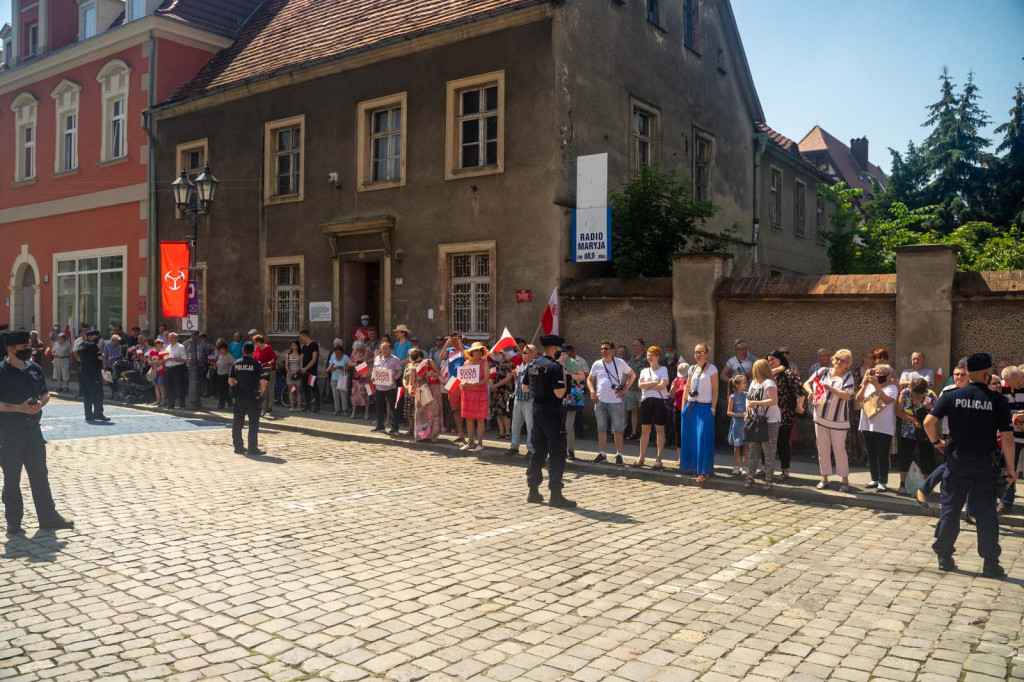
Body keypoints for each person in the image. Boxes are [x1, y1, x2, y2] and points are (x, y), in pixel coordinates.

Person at [923, 353, 1016, 578]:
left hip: (957, 464)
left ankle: (944, 556)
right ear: (986, 374)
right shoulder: (997, 401)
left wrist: (937, 442)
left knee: (951, 510)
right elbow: (1007, 438)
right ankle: (991, 563)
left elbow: (928, 422)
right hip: (985, 465)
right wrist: (1011, 469)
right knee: (986, 514)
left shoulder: (953, 395)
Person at [0, 330, 75, 535]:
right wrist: (18, 408)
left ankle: (48, 517)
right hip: (9, 432)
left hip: (33, 430)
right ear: (10, 349)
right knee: (12, 479)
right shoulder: (2, 371)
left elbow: (45, 392)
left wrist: (41, 403)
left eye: (28, 347)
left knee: (40, 476)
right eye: (23, 348)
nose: (27, 351)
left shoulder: (34, 368)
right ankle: (14, 522)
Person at [526, 334, 576, 508]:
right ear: (554, 349)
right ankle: (555, 494)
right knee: (557, 453)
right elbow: (559, 393)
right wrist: (567, 379)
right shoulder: (555, 367)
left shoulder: (532, 363)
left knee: (538, 451)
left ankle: (533, 491)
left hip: (537, 411)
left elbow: (526, 387)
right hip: (552, 413)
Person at [804, 349, 855, 492]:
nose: (839, 362)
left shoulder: (848, 377)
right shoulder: (822, 371)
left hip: (838, 421)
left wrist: (831, 388)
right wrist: (810, 392)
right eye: (837, 358)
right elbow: (806, 383)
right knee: (822, 449)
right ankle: (824, 478)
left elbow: (847, 396)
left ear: (847, 364)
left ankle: (844, 481)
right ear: (833, 359)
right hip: (820, 417)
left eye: (843, 360)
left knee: (839, 450)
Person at [587, 340, 635, 465]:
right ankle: (602, 453)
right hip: (600, 400)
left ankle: (619, 454)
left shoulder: (620, 363)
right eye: (602, 348)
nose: (604, 351)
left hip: (615, 401)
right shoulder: (597, 364)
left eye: (606, 348)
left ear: (612, 350)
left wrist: (625, 389)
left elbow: (632, 375)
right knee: (601, 428)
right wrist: (592, 391)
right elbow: (589, 379)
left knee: (618, 429)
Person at [856, 362, 899, 492]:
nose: (879, 376)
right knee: (871, 453)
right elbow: (858, 399)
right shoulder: (868, 386)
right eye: (877, 373)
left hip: (884, 426)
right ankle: (874, 478)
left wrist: (877, 386)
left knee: (882, 454)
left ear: (888, 375)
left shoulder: (892, 388)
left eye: (882, 374)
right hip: (868, 424)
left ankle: (882, 481)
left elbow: (887, 400)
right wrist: (864, 385)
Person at [679, 343, 718, 482]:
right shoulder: (691, 368)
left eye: (701, 352)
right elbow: (687, 387)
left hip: (704, 407)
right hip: (691, 406)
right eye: (696, 352)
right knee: (690, 438)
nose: (698, 354)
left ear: (706, 354)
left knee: (703, 438)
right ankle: (691, 467)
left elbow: (715, 390)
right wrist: (684, 406)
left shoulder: (712, 369)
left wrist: (713, 408)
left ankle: (704, 470)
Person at [896, 377, 938, 492]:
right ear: (911, 388)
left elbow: (939, 412)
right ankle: (902, 484)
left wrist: (932, 409)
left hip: (925, 431)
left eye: (921, 393)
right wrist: (912, 419)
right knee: (905, 455)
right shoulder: (905, 393)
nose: (919, 396)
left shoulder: (931, 395)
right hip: (908, 431)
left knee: (927, 456)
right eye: (916, 393)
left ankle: (927, 486)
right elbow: (898, 411)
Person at [744, 359, 781, 491]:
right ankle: (750, 476)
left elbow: (774, 400)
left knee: (769, 451)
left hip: (770, 420)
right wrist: (747, 411)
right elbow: (748, 398)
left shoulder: (769, 383)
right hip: (755, 419)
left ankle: (769, 479)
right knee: (754, 449)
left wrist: (756, 403)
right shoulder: (753, 382)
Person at [768, 349, 804, 481]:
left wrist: (799, 406)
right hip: (769, 414)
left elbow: (800, 389)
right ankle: (765, 467)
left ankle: (785, 470)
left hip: (785, 414)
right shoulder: (771, 374)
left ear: (780, 360)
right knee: (767, 443)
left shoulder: (788, 373)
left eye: (773, 360)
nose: (770, 362)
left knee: (783, 443)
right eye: (769, 360)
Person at [228, 342, 267, 456]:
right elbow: (263, 384)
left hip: (240, 397)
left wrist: (237, 387)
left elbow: (230, 381)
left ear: (242, 351)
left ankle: (238, 447)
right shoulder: (256, 364)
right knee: (253, 424)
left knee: (237, 423)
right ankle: (252, 448)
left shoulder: (236, 363)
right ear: (252, 352)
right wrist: (260, 393)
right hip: (253, 397)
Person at [634, 346, 669, 469]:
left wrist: (647, 385)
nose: (649, 357)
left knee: (659, 429)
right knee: (645, 430)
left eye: (652, 355)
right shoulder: (644, 371)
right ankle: (641, 457)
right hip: (646, 401)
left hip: (659, 401)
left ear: (658, 356)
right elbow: (640, 385)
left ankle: (659, 458)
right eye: (648, 355)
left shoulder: (663, 369)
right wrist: (655, 383)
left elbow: (662, 385)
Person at [997, 365, 1024, 514]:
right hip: (1012, 437)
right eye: (1013, 385)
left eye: (1019, 383)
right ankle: (1006, 503)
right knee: (1008, 469)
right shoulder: (1001, 387)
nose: (1017, 387)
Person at [459, 342, 491, 452]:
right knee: (469, 419)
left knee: (480, 419)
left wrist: (474, 384)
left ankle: (480, 442)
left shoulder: (484, 362)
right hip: (467, 393)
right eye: (476, 350)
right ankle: (470, 442)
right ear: (471, 352)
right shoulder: (466, 362)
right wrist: (461, 384)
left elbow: (486, 379)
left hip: (480, 393)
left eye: (479, 350)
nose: (478, 352)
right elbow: (461, 378)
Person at [507, 344, 536, 457]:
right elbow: (519, 382)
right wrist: (515, 376)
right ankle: (514, 446)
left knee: (530, 426)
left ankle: (530, 448)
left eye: (525, 352)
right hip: (518, 399)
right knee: (515, 425)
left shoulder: (534, 366)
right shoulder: (521, 365)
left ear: (532, 354)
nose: (522, 355)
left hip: (529, 400)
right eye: (522, 352)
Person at [409, 348, 442, 442]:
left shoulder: (429, 361)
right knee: (420, 412)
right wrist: (411, 389)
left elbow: (438, 373)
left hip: (431, 387)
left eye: (420, 359)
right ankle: (421, 434)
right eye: (416, 360)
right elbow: (411, 382)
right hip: (421, 389)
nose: (418, 362)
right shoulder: (413, 367)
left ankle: (433, 435)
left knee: (432, 411)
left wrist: (432, 374)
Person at [560, 346, 586, 461]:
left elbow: (582, 376)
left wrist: (568, 374)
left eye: (562, 352)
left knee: (568, 426)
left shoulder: (571, 362)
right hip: (557, 395)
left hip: (570, 396)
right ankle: (560, 449)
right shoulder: (552, 363)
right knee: (558, 425)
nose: (560, 354)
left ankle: (570, 450)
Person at [371, 341, 402, 434]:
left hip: (390, 386)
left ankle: (395, 427)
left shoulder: (395, 359)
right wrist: (372, 376)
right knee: (379, 407)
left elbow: (399, 371)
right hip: (379, 386)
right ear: (380, 348)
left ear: (390, 349)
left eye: (386, 348)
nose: (384, 350)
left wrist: (395, 379)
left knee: (393, 407)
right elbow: (374, 369)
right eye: (383, 348)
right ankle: (380, 426)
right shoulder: (377, 358)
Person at [78, 330, 108, 423]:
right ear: (91, 337)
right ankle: (98, 414)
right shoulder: (92, 345)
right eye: (96, 337)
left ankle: (88, 415)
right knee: (97, 394)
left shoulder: (81, 345)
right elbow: (100, 356)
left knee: (87, 395)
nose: (97, 339)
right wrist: (103, 354)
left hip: (83, 371)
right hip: (92, 372)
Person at [625, 338, 648, 441]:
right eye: (633, 345)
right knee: (633, 412)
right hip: (631, 389)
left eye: (636, 345)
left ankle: (644, 435)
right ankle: (634, 433)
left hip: (642, 390)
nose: (634, 347)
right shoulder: (631, 359)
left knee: (644, 413)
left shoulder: (646, 359)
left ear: (642, 346)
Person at [490, 349, 515, 440]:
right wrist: (493, 385)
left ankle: (508, 432)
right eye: (495, 353)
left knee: (505, 412)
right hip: (496, 391)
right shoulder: (494, 364)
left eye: (497, 353)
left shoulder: (509, 364)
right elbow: (490, 376)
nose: (496, 355)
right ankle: (501, 432)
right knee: (497, 412)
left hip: (505, 390)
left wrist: (497, 384)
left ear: (502, 354)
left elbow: (509, 378)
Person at [726, 375, 748, 475]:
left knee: (746, 445)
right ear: (737, 385)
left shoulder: (747, 395)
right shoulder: (733, 397)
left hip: (746, 423)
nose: (746, 384)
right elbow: (729, 412)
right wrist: (740, 415)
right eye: (743, 383)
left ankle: (746, 467)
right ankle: (736, 466)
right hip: (737, 423)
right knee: (737, 445)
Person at [669, 361, 690, 461]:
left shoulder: (693, 380)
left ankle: (689, 455)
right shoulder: (677, 380)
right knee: (678, 433)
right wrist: (674, 388)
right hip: (677, 409)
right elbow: (672, 396)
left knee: (689, 433)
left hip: (690, 409)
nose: (683, 377)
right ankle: (680, 457)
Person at [252, 335, 278, 415]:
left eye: (256, 342)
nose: (255, 344)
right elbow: (254, 358)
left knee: (269, 387)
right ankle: (262, 405)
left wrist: (271, 362)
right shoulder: (257, 348)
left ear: (259, 341)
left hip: (269, 369)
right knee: (261, 387)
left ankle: (269, 405)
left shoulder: (267, 348)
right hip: (260, 369)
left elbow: (274, 357)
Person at [297, 330, 321, 413]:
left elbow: (314, 359)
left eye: (301, 337)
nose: (301, 339)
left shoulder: (314, 345)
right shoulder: (304, 346)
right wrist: (301, 368)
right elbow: (302, 358)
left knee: (314, 388)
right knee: (305, 388)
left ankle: (317, 406)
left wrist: (306, 368)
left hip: (311, 371)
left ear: (304, 336)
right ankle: (308, 406)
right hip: (304, 371)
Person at [164, 332, 188, 409]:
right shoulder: (167, 348)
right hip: (168, 368)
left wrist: (173, 359)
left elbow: (184, 359)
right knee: (169, 386)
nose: (169, 339)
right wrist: (165, 359)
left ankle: (182, 404)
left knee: (179, 387)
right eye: (169, 338)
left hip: (177, 368)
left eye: (171, 338)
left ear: (176, 339)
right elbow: (164, 357)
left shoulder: (180, 347)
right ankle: (170, 404)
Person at [348, 340, 371, 419]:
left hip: (366, 375)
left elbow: (375, 359)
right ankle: (353, 413)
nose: (358, 351)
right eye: (357, 349)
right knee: (355, 394)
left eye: (359, 349)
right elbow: (349, 363)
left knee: (367, 393)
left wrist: (367, 363)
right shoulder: (354, 351)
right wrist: (356, 364)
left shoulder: (368, 351)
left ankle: (366, 413)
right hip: (357, 375)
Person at [327, 345, 351, 416]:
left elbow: (349, 368)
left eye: (339, 353)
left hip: (343, 378)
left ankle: (345, 410)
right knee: (335, 395)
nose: (338, 354)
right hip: (334, 378)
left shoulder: (345, 357)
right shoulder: (333, 357)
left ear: (342, 352)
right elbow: (329, 368)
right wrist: (332, 369)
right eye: (336, 353)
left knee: (343, 394)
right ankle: (337, 409)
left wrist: (341, 368)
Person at [147, 339, 168, 407]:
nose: (161, 346)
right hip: (154, 370)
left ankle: (163, 400)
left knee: (160, 384)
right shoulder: (152, 352)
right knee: (156, 385)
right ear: (156, 345)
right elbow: (149, 361)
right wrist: (153, 362)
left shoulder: (163, 352)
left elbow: (163, 360)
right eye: (159, 344)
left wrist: (156, 362)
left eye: (161, 344)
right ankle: (158, 400)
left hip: (161, 370)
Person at [214, 341, 234, 409]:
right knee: (220, 390)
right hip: (219, 374)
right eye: (220, 349)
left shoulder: (229, 356)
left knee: (225, 391)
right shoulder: (220, 356)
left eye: (223, 349)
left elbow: (234, 363)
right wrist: (214, 366)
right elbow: (217, 363)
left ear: (225, 349)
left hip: (226, 375)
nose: (222, 351)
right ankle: (222, 404)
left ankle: (228, 402)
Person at [285, 341, 302, 411]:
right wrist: (289, 372)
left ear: (297, 346)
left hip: (297, 375)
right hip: (290, 375)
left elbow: (301, 366)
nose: (293, 347)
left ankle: (298, 407)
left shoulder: (300, 355)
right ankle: (291, 407)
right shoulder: (288, 355)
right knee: (291, 391)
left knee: (298, 391)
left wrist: (295, 372)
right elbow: (286, 365)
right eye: (292, 345)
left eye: (294, 345)